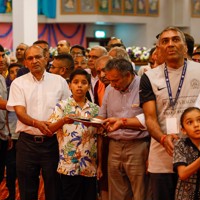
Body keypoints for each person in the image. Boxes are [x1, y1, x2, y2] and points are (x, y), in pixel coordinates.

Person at [139, 26, 200, 200]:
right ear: (159, 49)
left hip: (195, 154)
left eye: (175, 39)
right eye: (165, 41)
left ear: (186, 47)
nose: (170, 44)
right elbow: (150, 117)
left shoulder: (199, 71)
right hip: (162, 153)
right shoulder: (149, 77)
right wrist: (163, 138)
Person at [6, 45, 71, 200]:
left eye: (38, 57)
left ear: (46, 58)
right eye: (30, 58)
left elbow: (67, 110)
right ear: (25, 63)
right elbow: (20, 112)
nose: (34, 61)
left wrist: (54, 126)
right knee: (27, 190)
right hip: (27, 144)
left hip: (53, 143)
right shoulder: (18, 83)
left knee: (54, 189)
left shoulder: (59, 82)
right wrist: (38, 124)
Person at [99, 58, 150, 200]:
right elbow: (102, 115)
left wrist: (122, 122)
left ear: (128, 75)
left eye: (116, 80)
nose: (112, 85)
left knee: (140, 191)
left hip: (138, 145)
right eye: (110, 81)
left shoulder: (144, 85)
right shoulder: (109, 89)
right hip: (114, 145)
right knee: (116, 193)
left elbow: (150, 118)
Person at [48, 69, 101, 200]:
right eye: (75, 82)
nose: (79, 86)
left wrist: (100, 165)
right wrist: (63, 120)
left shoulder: (95, 109)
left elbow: (99, 137)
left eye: (83, 83)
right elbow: (50, 129)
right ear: (69, 85)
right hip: (68, 163)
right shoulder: (62, 106)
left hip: (89, 164)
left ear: (88, 86)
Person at [173, 107, 200, 200]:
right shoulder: (180, 144)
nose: (196, 125)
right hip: (186, 196)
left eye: (199, 120)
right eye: (190, 122)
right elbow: (183, 174)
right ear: (183, 130)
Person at [5, 63, 21, 200]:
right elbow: (4, 115)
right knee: (11, 169)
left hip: (25, 136)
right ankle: (11, 194)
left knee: (26, 171)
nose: (15, 74)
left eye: (18, 71)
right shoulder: (7, 90)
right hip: (12, 136)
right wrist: (8, 134)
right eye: (12, 72)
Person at [0, 44, 10, 188]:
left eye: (2, 56)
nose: (2, 60)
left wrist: (7, 132)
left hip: (2, 133)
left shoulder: (2, 77)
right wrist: (21, 107)